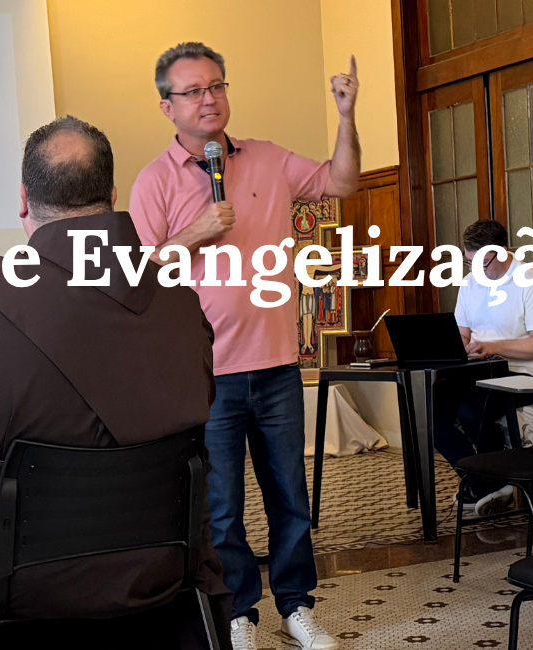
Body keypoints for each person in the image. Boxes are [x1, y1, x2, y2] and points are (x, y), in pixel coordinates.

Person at [0, 117, 229, 649]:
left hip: (14, 573)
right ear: (113, 194)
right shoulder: (180, 301)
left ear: (24, 200)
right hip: (157, 566)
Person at [128, 42, 361, 650]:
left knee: (290, 498)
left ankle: (297, 606)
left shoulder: (268, 158)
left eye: (217, 86)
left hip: (278, 365)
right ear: (167, 106)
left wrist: (346, 116)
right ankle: (238, 612)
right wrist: (194, 233)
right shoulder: (154, 181)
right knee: (222, 508)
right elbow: (140, 275)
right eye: (193, 91)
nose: (209, 99)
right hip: (206, 374)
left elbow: (341, 181)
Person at [437, 219, 533, 516]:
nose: (476, 272)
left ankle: (490, 479)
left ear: (503, 251)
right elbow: (463, 333)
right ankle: (483, 479)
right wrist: (455, 349)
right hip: (477, 370)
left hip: (523, 374)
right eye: (470, 263)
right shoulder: (470, 283)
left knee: (471, 410)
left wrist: (493, 347)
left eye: (483, 264)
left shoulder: (531, 282)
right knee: (428, 409)